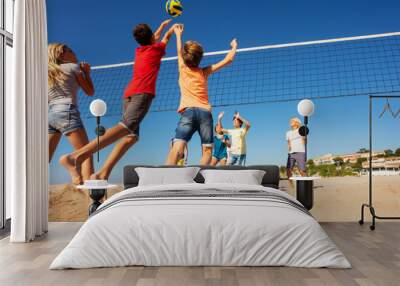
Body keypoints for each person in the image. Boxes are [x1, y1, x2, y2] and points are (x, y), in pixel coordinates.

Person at [60, 20, 177, 184]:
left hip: (129, 94)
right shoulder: (156, 49)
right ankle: (75, 157)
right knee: (126, 127)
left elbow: (157, 37)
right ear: (152, 39)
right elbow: (164, 38)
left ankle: (103, 173)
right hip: (142, 94)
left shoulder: (140, 51)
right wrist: (173, 30)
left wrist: (163, 26)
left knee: (131, 137)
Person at [165, 25, 238, 165]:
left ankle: (165, 179)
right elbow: (228, 60)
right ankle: (198, 180)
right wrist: (234, 46)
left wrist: (178, 34)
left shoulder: (182, 68)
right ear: (200, 58)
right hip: (205, 113)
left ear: (185, 57)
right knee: (207, 152)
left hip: (189, 112)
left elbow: (179, 51)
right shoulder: (204, 72)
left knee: (177, 147)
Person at [48, 43, 94, 182]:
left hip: (51, 114)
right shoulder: (73, 67)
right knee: (86, 153)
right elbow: (90, 91)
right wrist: (86, 73)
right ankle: (91, 197)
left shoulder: (49, 72)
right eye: (71, 50)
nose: (75, 53)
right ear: (61, 54)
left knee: (44, 160)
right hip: (67, 111)